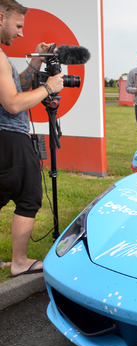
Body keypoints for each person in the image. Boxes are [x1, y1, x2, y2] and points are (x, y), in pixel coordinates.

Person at [0, 0, 64, 276]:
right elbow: (13, 104)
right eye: (18, 25)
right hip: (10, 136)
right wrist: (49, 87)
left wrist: (36, 62)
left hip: (7, 136)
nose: (21, 33)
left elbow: (19, 86)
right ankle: (19, 262)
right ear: (0, 18)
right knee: (29, 196)